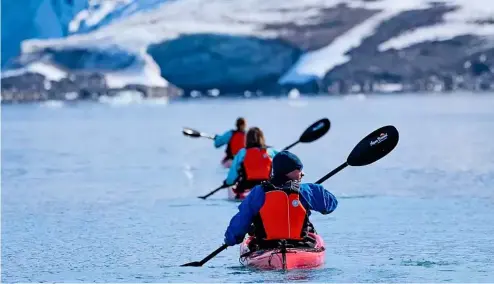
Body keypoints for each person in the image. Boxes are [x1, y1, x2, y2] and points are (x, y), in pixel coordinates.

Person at [223, 150, 338, 249]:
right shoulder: (307, 190)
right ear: (290, 172)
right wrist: (317, 190)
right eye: (299, 169)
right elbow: (330, 205)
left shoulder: (258, 192)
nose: (302, 174)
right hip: (301, 245)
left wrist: (230, 239)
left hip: (266, 246)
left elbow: (241, 221)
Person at [224, 127, 278, 195]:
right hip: (266, 187)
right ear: (262, 138)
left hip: (245, 187)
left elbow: (232, 174)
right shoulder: (270, 151)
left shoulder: (242, 152)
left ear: (247, 139)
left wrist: (228, 182)